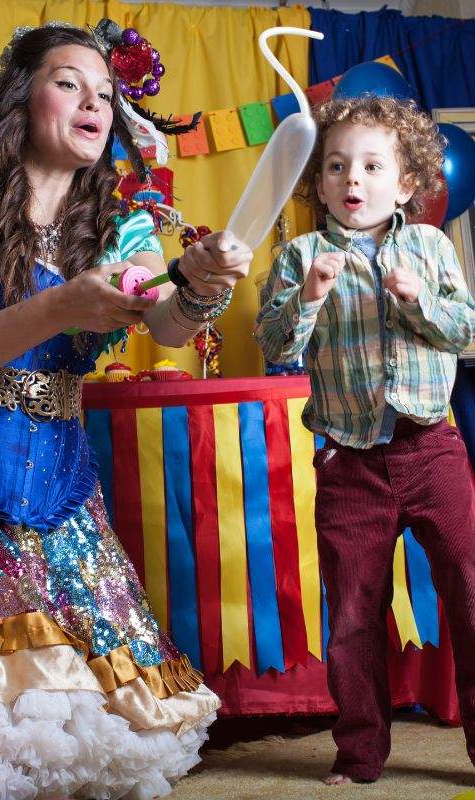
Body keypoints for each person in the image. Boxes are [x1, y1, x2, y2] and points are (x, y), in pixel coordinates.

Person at [0, 21, 252, 800]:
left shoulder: (125, 228)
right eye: (69, 82)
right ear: (22, 97)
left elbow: (165, 323)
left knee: (89, 742)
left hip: (62, 507)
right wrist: (59, 308)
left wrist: (202, 284)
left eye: (107, 94)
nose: (94, 102)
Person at [255, 95, 475, 785]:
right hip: (350, 461)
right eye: (337, 166)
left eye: (373, 166)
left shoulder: (432, 247)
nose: (354, 179)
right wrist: (310, 296)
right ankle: (359, 752)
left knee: (470, 590)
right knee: (353, 611)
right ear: (317, 182)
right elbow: (275, 342)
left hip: (432, 450)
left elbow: (466, 332)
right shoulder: (301, 256)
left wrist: (421, 303)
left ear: (406, 182)